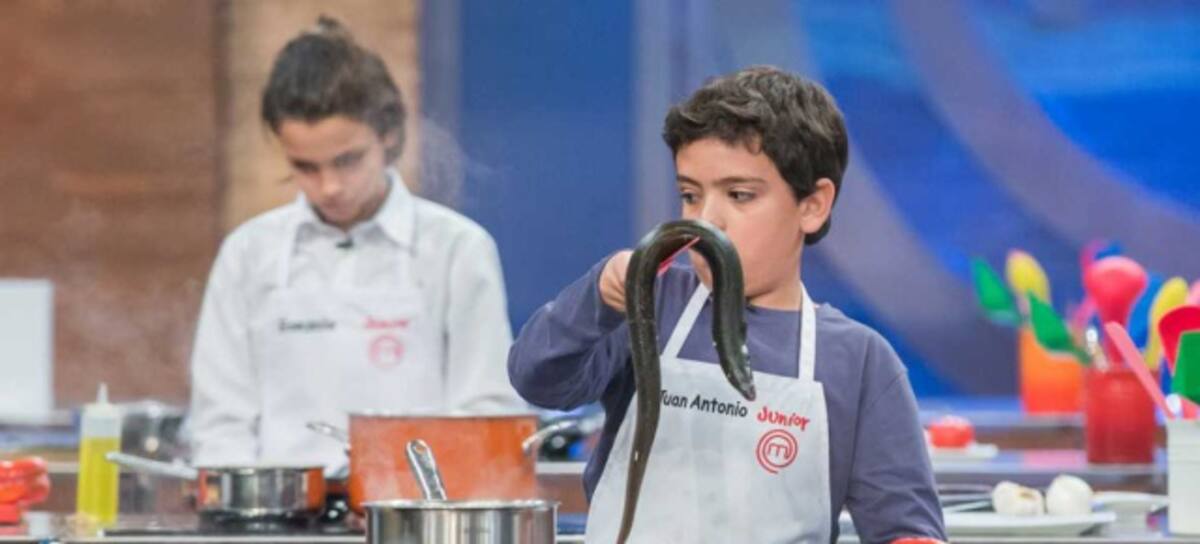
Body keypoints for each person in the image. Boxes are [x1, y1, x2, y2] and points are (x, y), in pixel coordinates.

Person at [508, 66, 946, 543]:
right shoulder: (652, 304)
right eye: (690, 195)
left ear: (813, 204)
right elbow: (539, 379)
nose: (707, 221)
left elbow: (905, 528)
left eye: (739, 195)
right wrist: (599, 295)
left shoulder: (858, 362)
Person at [189, 16, 523, 469]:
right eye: (306, 167)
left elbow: (485, 412)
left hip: (417, 504)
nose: (330, 187)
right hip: (280, 506)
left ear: (388, 135)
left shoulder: (456, 249)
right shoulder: (248, 254)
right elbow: (220, 425)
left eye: (347, 160)